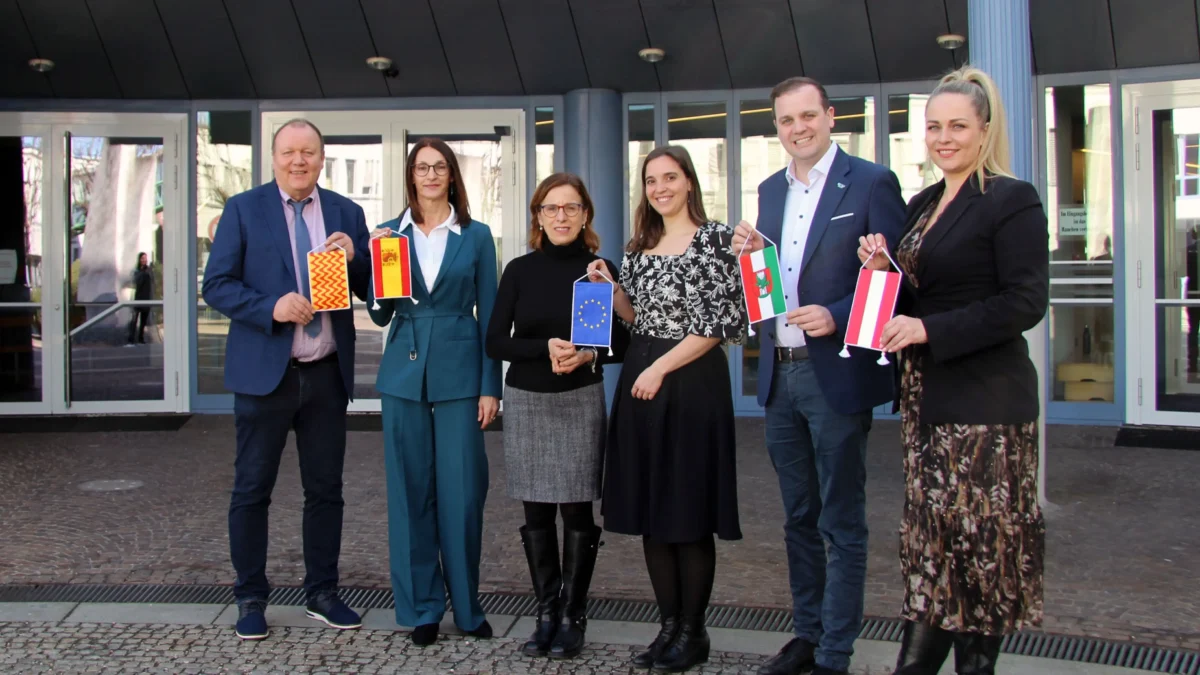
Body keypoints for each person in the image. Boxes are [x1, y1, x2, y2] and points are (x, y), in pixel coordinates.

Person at [857, 66, 1049, 675]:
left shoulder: (1011, 198)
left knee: (978, 556)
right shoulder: (924, 202)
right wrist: (884, 268)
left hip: (986, 410)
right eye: (934, 126)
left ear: (985, 130)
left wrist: (928, 330)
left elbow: (1026, 301)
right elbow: (917, 297)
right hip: (927, 403)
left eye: (958, 126)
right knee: (935, 548)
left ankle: (967, 666)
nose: (944, 138)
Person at [732, 76, 906, 675]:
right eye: (785, 120)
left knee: (841, 520)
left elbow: (893, 278)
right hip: (780, 377)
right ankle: (806, 635)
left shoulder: (871, 182)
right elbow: (770, 286)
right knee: (797, 518)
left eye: (808, 116)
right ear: (776, 126)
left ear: (831, 117)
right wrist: (749, 260)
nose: (798, 128)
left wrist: (834, 316)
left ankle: (836, 652)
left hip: (835, 378)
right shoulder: (768, 190)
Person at [201, 118, 370, 641]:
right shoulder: (243, 209)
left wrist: (355, 257)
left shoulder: (346, 212)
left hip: (325, 375)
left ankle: (322, 592)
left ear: (322, 158)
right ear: (273, 158)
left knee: (326, 491)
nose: (299, 162)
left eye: (309, 153)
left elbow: (369, 288)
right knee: (252, 490)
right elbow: (217, 285)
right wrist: (269, 306)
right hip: (264, 377)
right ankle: (250, 597)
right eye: (289, 153)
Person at [589, 145, 745, 673]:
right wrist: (611, 293)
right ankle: (668, 627)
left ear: (689, 182)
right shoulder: (639, 245)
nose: (660, 188)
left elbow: (718, 325)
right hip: (643, 374)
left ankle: (694, 632)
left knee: (688, 511)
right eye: (651, 180)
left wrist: (659, 369)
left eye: (670, 178)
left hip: (690, 380)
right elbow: (638, 319)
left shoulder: (715, 238)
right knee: (654, 512)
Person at [485, 172, 628, 660]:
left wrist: (588, 356)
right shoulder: (520, 270)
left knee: (576, 507)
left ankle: (572, 614)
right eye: (551, 209)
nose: (560, 217)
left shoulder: (599, 268)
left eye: (570, 208)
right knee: (536, 508)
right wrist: (541, 347)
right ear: (538, 217)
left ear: (585, 214)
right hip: (527, 397)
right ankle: (545, 611)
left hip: (579, 398)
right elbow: (495, 340)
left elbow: (622, 340)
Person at [367, 138, 501, 647]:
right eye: (421, 167)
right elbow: (381, 313)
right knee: (409, 494)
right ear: (411, 175)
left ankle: (467, 608)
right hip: (402, 375)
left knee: (463, 494)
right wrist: (375, 263)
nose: (430, 174)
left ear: (451, 176)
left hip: (462, 376)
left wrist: (491, 386)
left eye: (439, 167)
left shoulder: (477, 236)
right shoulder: (390, 234)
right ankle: (422, 609)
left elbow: (489, 316)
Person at [127, 252, 153, 344]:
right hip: (137, 299)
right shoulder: (136, 271)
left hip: (146, 299)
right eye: (142, 258)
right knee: (134, 320)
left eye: (145, 258)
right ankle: (131, 339)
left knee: (143, 321)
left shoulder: (148, 270)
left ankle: (141, 338)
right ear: (139, 259)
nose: (144, 260)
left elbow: (151, 282)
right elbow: (134, 282)